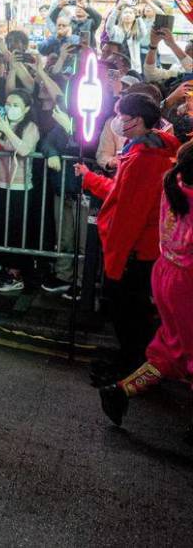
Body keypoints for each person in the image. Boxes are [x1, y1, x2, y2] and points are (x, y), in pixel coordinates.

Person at [76, 94, 180, 383]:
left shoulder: (146, 158)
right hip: (140, 248)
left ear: (135, 120)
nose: (116, 120)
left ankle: (132, 368)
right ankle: (132, 363)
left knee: (129, 312)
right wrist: (90, 178)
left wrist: (116, 259)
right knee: (133, 311)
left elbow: (129, 213)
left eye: (120, 115)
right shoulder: (149, 150)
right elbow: (120, 193)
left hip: (135, 250)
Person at [99, 140, 193, 443]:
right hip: (186, 282)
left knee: (171, 348)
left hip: (166, 272)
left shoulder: (173, 182)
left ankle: (120, 391)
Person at [0, 90, 43, 293]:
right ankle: (5, 268)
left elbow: (25, 149)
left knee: (17, 230)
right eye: (8, 103)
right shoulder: (3, 126)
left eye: (16, 105)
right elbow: (4, 146)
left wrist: (6, 130)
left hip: (20, 187)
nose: (10, 108)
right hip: (0, 183)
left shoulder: (30, 127)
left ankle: (17, 272)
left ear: (26, 108)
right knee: (1, 228)